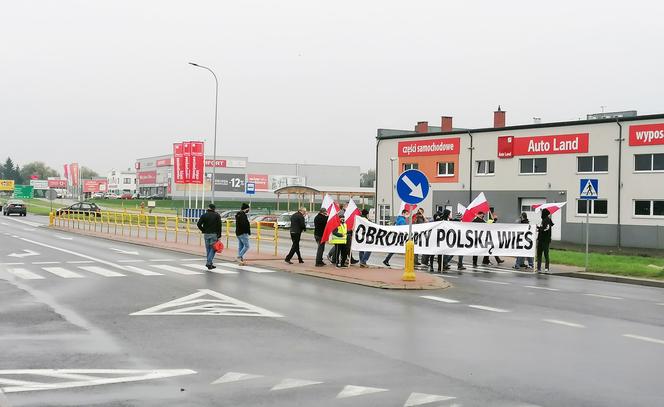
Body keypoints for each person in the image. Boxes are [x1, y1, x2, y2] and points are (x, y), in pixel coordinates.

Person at [196, 203, 222, 270]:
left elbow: (198, 224)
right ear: (214, 209)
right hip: (214, 235)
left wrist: (203, 230)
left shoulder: (204, 215)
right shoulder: (217, 215)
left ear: (208, 208)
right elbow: (219, 226)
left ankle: (210, 264)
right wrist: (219, 235)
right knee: (213, 249)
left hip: (206, 234)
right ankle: (209, 262)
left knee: (208, 249)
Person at [536, 208, 554, 273]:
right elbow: (542, 228)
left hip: (545, 240)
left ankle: (546, 268)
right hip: (541, 239)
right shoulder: (543, 220)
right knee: (539, 254)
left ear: (544, 213)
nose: (541, 214)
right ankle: (539, 268)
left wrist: (539, 228)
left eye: (542, 213)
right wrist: (538, 228)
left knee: (545, 254)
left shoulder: (547, 220)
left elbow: (545, 229)